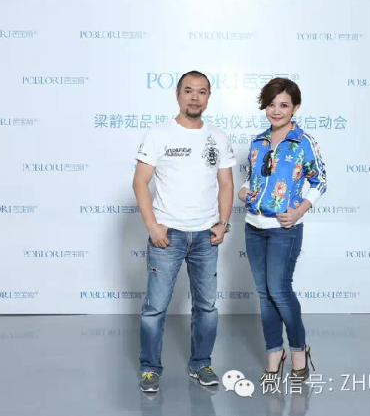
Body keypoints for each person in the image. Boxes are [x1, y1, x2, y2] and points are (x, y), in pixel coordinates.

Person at [133, 71, 236, 392]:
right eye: (188, 90)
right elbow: (140, 182)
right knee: (155, 308)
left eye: (201, 91)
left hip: (206, 236)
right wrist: (152, 226)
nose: (195, 97)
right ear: (177, 94)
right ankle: (150, 369)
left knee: (206, 307)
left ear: (208, 97)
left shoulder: (218, 136)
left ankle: (201, 364)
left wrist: (223, 223)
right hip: (168, 235)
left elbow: (226, 183)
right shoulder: (158, 134)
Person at [238, 77, 327, 384]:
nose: (276, 111)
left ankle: (299, 350)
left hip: (283, 229)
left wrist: (299, 210)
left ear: (295, 108)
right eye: (271, 104)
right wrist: (243, 192)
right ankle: (274, 353)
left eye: (284, 105)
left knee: (279, 290)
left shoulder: (303, 142)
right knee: (264, 295)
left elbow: (320, 181)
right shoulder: (258, 142)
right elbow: (251, 179)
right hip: (253, 226)